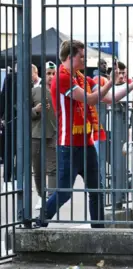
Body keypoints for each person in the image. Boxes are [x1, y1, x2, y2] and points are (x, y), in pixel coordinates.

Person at [36, 40, 118, 228]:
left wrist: (132, 83)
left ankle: (98, 229)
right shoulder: (62, 78)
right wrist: (112, 81)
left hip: (86, 143)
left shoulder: (80, 78)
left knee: (97, 190)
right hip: (68, 145)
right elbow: (91, 100)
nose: (84, 59)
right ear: (70, 57)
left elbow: (108, 98)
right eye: (81, 56)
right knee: (64, 192)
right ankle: (41, 219)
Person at [31, 61, 58, 210]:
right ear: (43, 74)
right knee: (38, 169)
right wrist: (35, 110)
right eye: (48, 73)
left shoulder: (60, 92)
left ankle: (51, 199)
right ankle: (42, 196)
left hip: (53, 134)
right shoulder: (35, 91)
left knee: (52, 168)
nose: (51, 76)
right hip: (36, 135)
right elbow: (23, 112)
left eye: (53, 74)